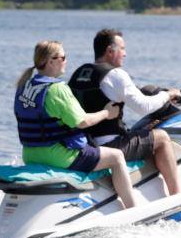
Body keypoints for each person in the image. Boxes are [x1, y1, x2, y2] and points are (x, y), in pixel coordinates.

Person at [15, 40, 140, 209]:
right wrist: (107, 113)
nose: (66, 61)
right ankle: (133, 210)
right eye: (63, 57)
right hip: (58, 156)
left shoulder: (24, 85)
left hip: (30, 154)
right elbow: (82, 122)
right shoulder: (57, 89)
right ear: (51, 61)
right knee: (116, 156)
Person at [68, 28, 181, 196]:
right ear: (109, 50)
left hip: (87, 146)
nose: (125, 53)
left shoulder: (79, 73)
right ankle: (176, 196)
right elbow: (144, 107)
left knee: (144, 130)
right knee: (162, 137)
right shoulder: (115, 75)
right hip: (110, 145)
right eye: (122, 48)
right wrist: (168, 94)